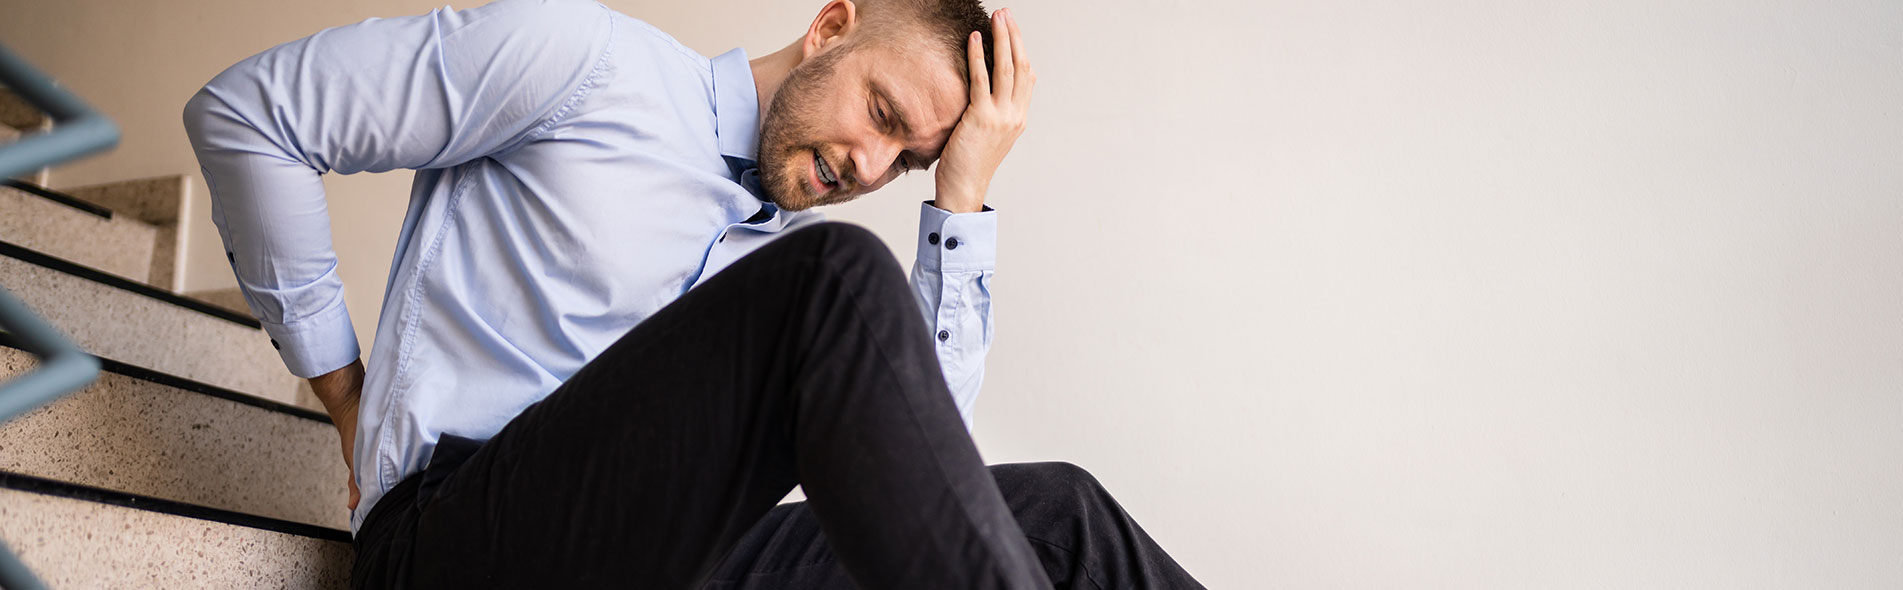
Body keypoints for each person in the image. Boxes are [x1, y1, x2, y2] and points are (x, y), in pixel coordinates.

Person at [184, 0, 1204, 587]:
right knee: (834, 276)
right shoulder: (585, 62)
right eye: (880, 112)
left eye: (904, 158)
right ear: (830, 27)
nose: (868, 161)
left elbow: (925, 465)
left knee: (1060, 514)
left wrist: (963, 190)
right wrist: (345, 390)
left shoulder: (776, 288)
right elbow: (251, 116)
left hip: (676, 565)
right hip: (458, 542)